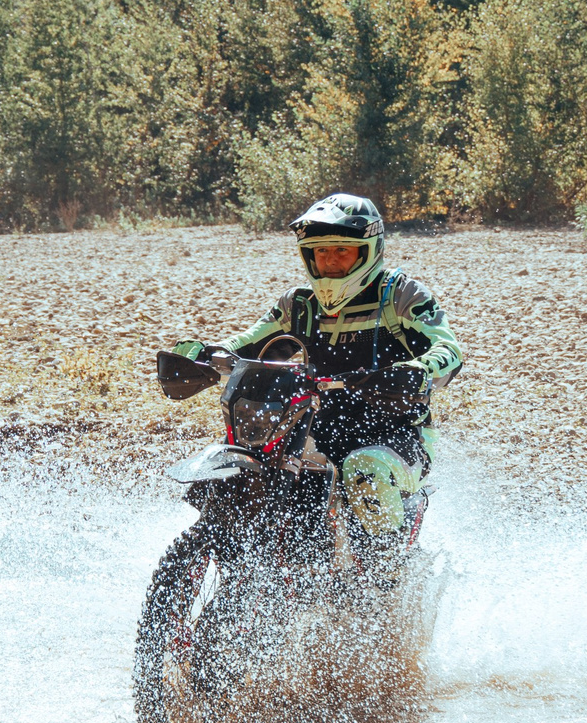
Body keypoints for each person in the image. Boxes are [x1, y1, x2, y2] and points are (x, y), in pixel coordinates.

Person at [173, 193, 464, 544]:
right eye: (321, 251)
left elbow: (448, 348)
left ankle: (384, 574)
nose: (331, 262)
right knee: (253, 460)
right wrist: (207, 354)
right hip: (313, 427)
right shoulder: (299, 305)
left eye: (342, 250)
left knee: (365, 470)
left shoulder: (400, 295)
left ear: (368, 250)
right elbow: (249, 341)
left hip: (395, 434)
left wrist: (416, 370)